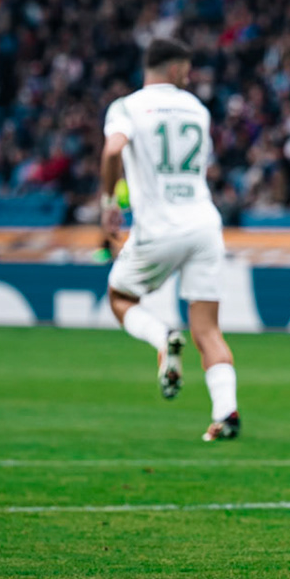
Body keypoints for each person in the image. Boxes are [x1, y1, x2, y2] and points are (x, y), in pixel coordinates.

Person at [100, 38, 242, 442]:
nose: (189, 75)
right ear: (174, 68)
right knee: (208, 330)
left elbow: (113, 151)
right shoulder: (197, 108)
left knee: (120, 297)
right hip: (203, 225)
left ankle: (162, 339)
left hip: (158, 228)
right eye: (186, 68)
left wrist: (110, 203)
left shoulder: (127, 107)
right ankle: (226, 412)